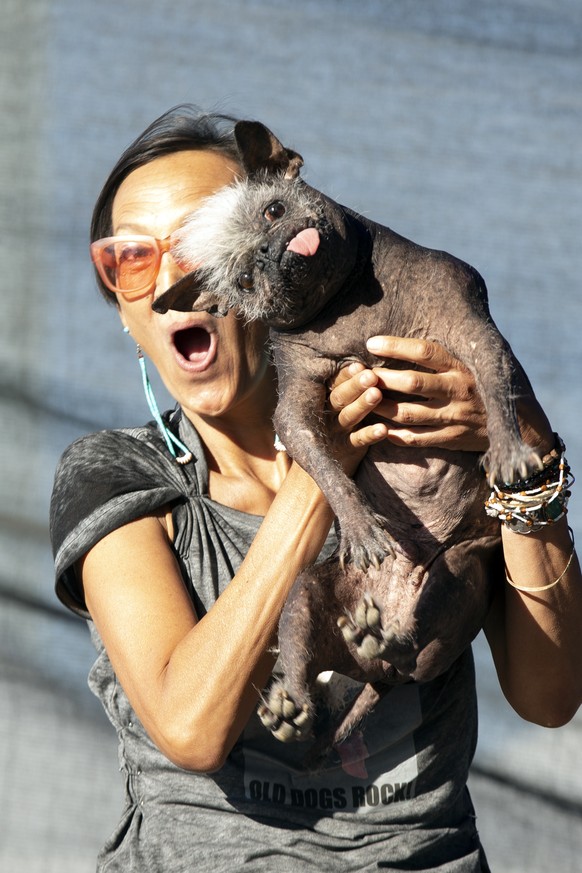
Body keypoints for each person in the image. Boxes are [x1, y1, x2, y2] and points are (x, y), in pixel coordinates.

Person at [50, 105, 582, 872]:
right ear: (131, 314)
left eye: (201, 235)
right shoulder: (119, 475)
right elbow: (190, 727)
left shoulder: (417, 438)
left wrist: (522, 435)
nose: (177, 275)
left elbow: (551, 694)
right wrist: (315, 483)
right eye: (131, 258)